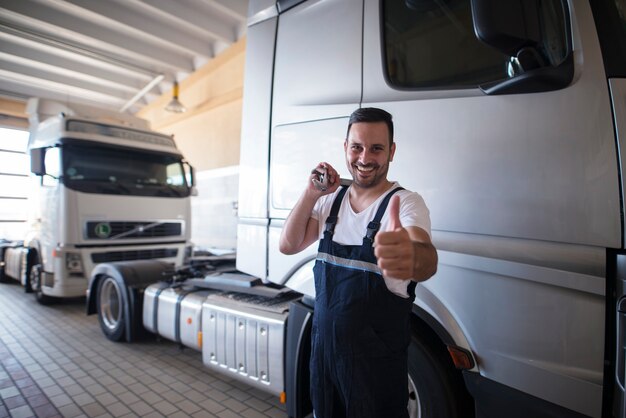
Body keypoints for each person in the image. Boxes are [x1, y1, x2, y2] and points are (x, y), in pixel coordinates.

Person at [279, 107, 438, 418]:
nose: (365, 158)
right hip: (325, 364)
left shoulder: (405, 203)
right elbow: (288, 244)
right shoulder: (329, 202)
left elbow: (425, 257)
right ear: (345, 148)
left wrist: (411, 255)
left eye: (377, 148)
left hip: (376, 375)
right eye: (357, 147)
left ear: (391, 152)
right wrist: (311, 193)